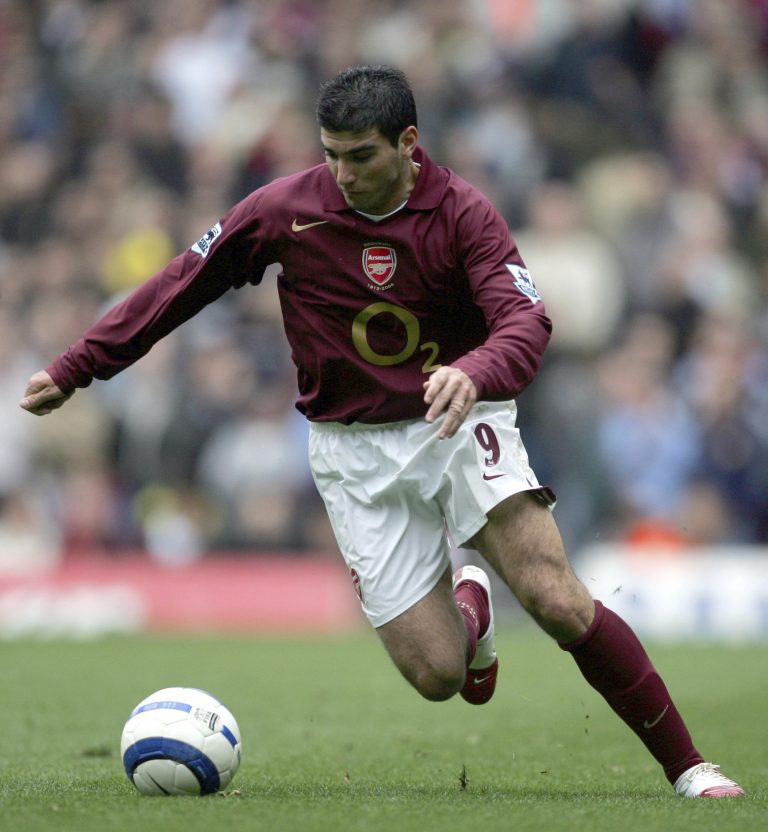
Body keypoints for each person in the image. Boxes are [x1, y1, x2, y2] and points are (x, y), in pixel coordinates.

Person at [20, 65, 743, 799]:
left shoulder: (463, 213)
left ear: (408, 143)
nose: (341, 173)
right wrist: (81, 365)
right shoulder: (283, 210)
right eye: (330, 153)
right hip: (351, 448)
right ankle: (471, 601)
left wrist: (477, 371)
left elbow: (527, 322)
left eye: (359, 156)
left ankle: (690, 767)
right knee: (438, 676)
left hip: (458, 418)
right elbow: (183, 280)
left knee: (555, 597)